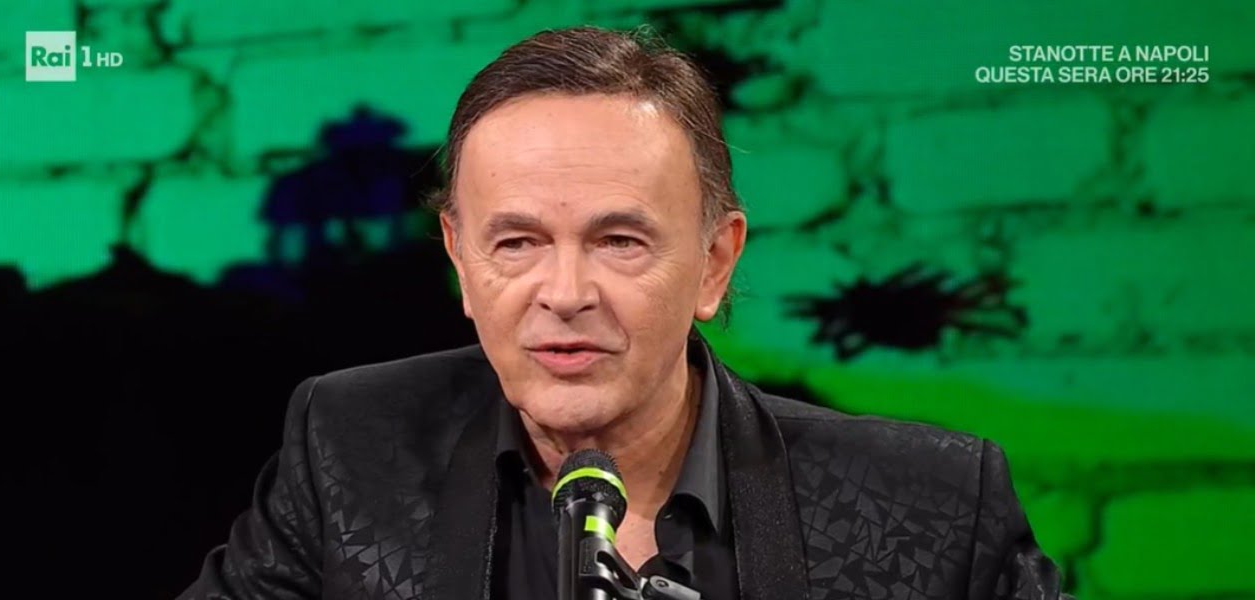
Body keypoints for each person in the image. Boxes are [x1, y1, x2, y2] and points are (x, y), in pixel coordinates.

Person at [180, 26, 1069, 600]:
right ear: (460, 260)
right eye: (517, 242)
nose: (565, 293)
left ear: (714, 262)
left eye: (618, 241)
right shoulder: (350, 448)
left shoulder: (933, 508)